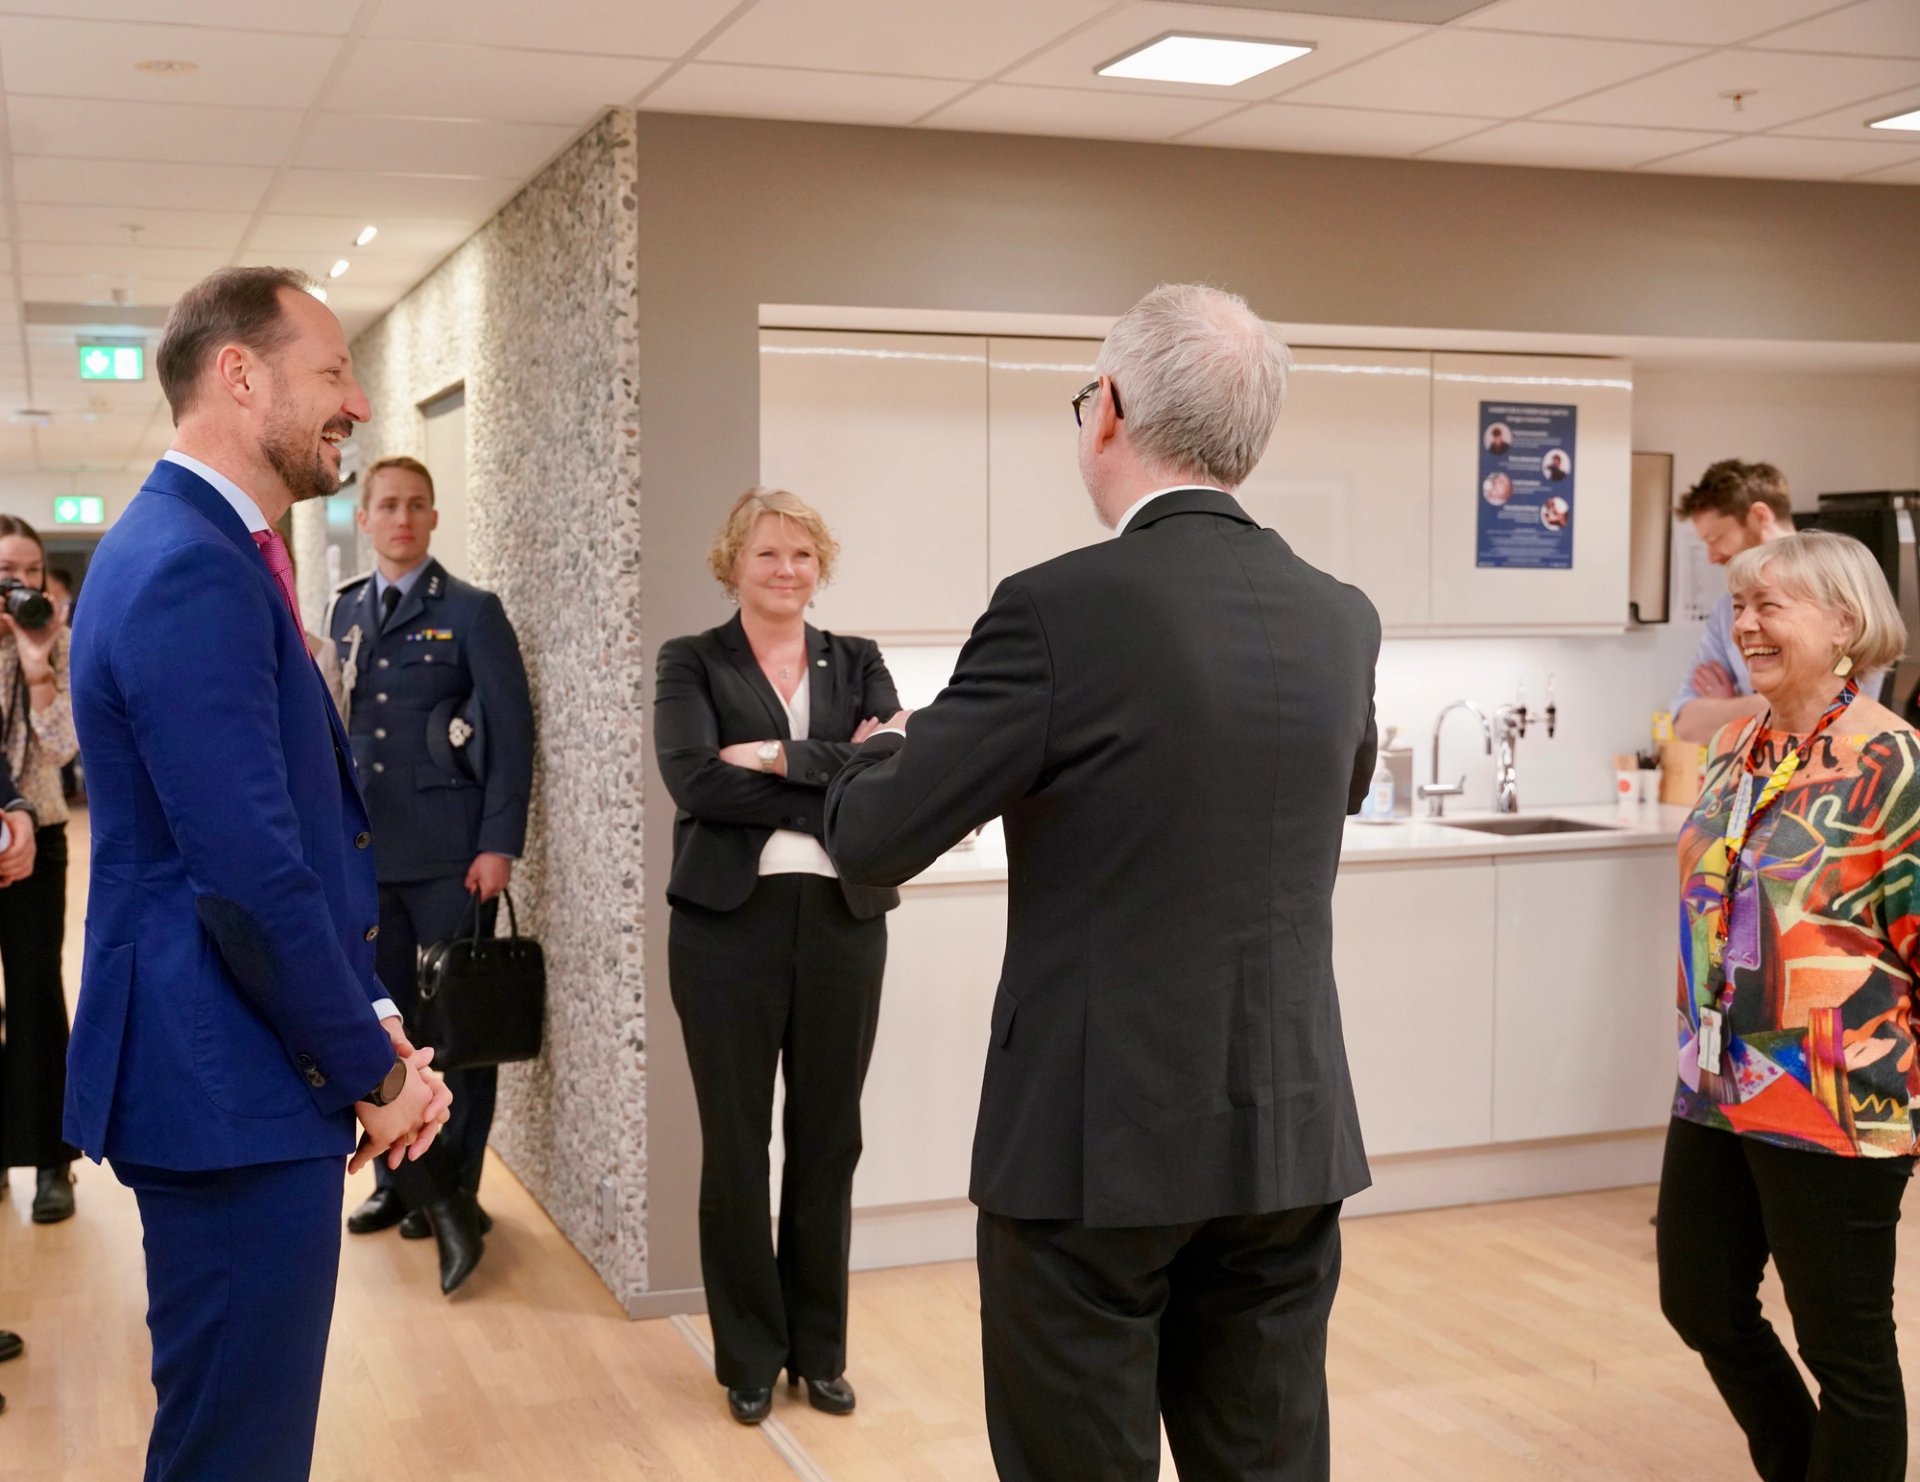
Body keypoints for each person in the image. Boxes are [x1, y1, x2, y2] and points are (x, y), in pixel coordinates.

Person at [825, 283, 1379, 1481]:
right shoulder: (1339, 617)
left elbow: (873, 837)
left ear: (1109, 410)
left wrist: (884, 746)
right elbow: (1335, 788)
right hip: (1285, 1131)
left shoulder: (1056, 609)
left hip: (1095, 1143)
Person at [64, 266, 452, 1482]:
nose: (360, 402)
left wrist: (370, 1017)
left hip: (235, 1067)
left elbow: (284, 834)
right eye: (333, 372)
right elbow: (245, 876)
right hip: (221, 1083)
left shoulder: (204, 550)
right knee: (237, 1453)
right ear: (239, 375)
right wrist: (377, 1074)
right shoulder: (189, 564)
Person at [1660, 530, 1917, 1482]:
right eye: (1740, 607)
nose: (1747, 626)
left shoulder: (1892, 762)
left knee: (1845, 1350)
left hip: (1838, 1097)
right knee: (1699, 1300)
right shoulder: (1738, 747)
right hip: (1715, 1083)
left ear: (1845, 623)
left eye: (1772, 606)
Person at [654, 488, 900, 1426]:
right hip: (726, 927)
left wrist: (773, 757)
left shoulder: (858, 658)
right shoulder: (691, 660)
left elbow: (894, 766)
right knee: (737, 1145)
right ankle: (751, 1355)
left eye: (802, 554)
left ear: (819, 566)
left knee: (830, 1141)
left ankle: (820, 1352)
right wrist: (835, 767)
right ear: (733, 565)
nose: (786, 569)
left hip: (844, 920)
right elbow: (693, 780)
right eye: (767, 553)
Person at [325, 454, 534, 1295]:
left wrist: (499, 844)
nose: (402, 518)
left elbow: (511, 736)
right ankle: (400, 1184)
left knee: (457, 1033)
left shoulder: (472, 611)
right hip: (366, 858)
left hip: (452, 857)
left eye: (416, 505)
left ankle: (458, 1191)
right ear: (365, 519)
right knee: (388, 1031)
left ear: (434, 517)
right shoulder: (344, 610)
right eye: (387, 505)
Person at [0, 518, 80, 1223]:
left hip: (42, 837)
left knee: (35, 995)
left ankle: (53, 1159)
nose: (20, 583)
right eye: (7, 571)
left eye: (30, 570)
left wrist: (36, 661)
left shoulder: (57, 643)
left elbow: (62, 751)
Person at [1672, 460, 1793, 742]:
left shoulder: (1836, 594)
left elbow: (1828, 713)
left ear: (1759, 516)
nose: (1711, 557)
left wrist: (1730, 706)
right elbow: (1686, 723)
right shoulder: (1726, 610)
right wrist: (1763, 708)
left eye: (1716, 538)